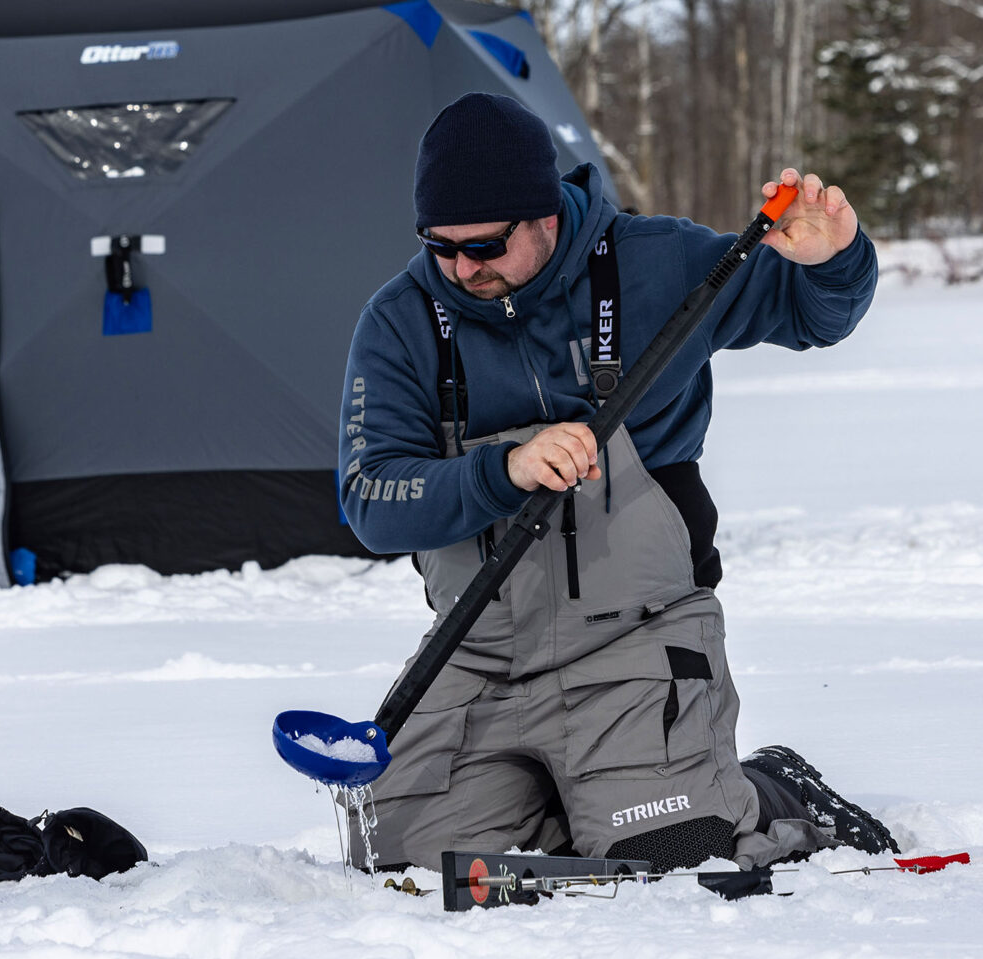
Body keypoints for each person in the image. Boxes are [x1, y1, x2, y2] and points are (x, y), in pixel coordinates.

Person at [339, 92, 898, 875]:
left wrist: (834, 261)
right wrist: (501, 470)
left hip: (635, 638)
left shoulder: (656, 261)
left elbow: (813, 315)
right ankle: (580, 799)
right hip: (475, 659)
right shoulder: (399, 323)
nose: (465, 269)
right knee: (405, 869)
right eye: (443, 247)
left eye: (488, 245)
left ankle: (776, 790)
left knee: (672, 857)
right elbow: (370, 499)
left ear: (545, 217)